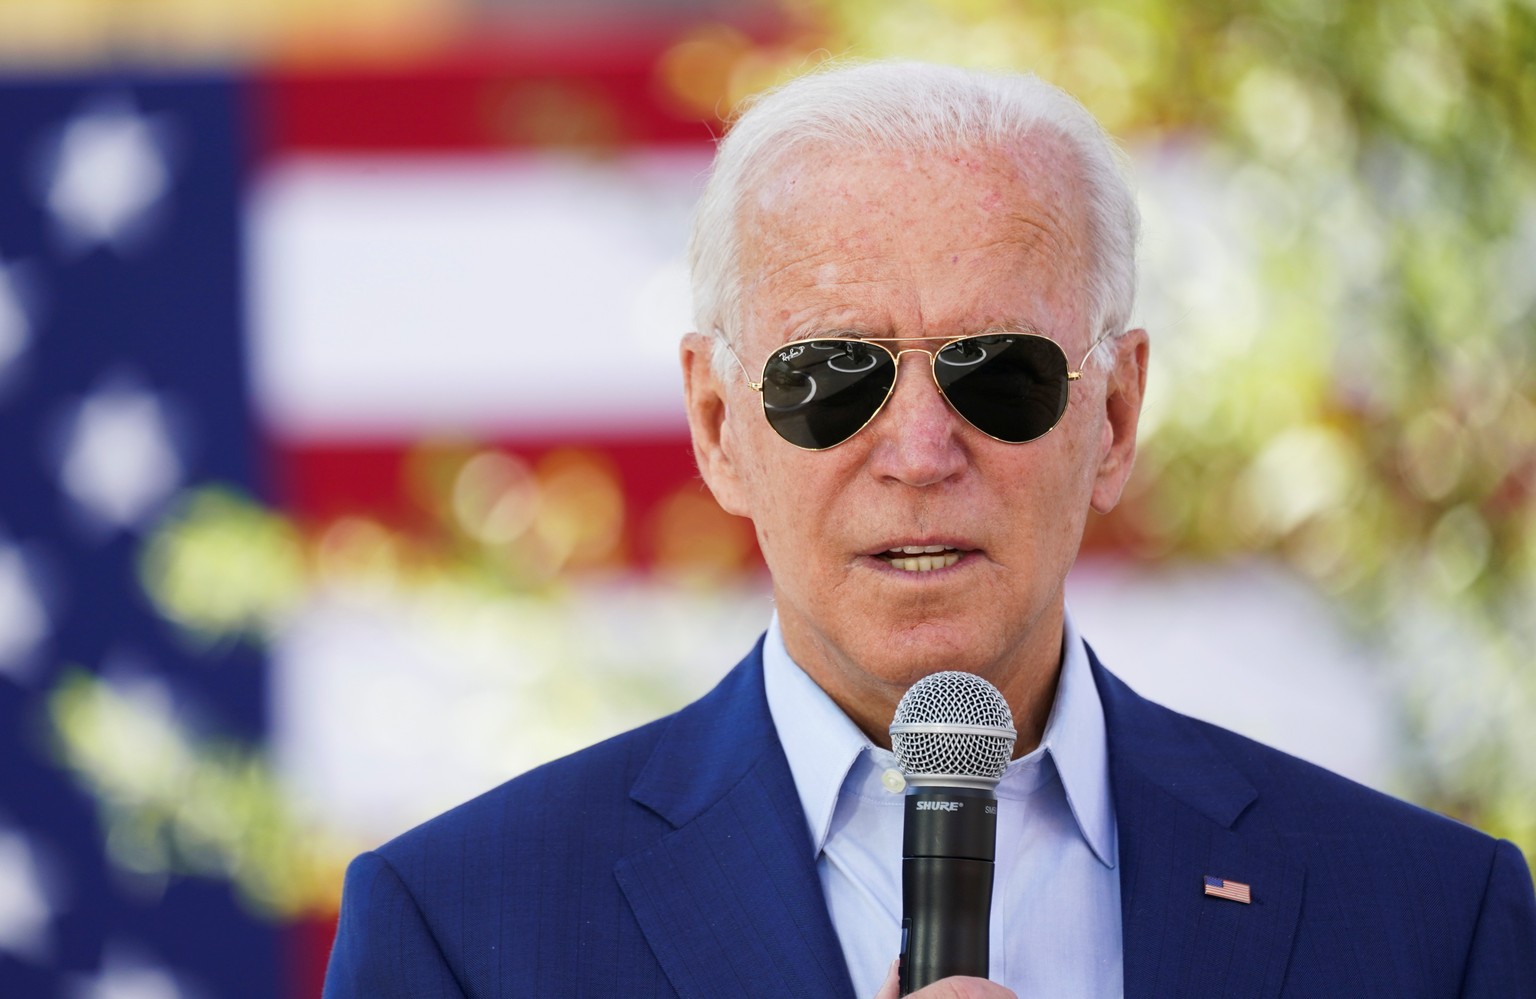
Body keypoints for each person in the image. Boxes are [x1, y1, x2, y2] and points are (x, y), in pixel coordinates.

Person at [323, 61, 1536, 998]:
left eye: (997, 372)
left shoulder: (1431, 919)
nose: (916, 449)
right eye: (831, 375)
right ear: (716, 426)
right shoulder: (465, 932)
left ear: (1112, 416)